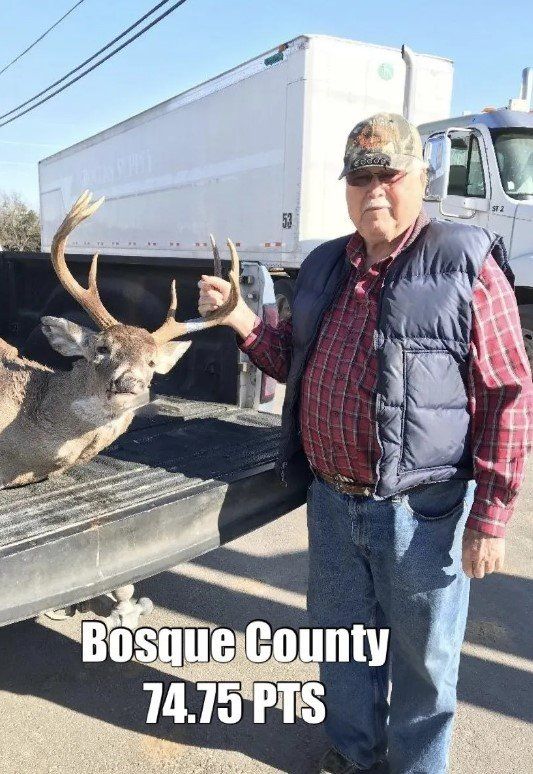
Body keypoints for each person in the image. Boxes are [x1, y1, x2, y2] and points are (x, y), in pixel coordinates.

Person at [197, 113, 532, 774]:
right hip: (331, 500)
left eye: (389, 175)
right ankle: (352, 755)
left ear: (421, 178)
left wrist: (490, 517)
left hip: (423, 512)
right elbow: (291, 358)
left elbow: (507, 396)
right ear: (344, 186)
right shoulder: (324, 263)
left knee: (423, 664)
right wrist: (238, 315)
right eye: (360, 177)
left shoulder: (462, 261)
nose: (373, 190)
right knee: (342, 643)